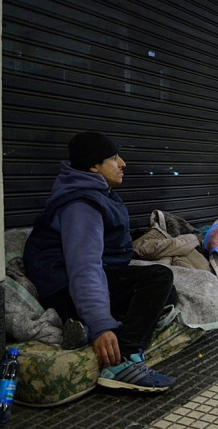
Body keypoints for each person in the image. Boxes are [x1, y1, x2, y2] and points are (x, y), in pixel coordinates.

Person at [23, 131, 178, 392]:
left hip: (87, 277)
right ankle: (122, 361)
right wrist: (101, 325)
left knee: (167, 294)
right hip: (63, 287)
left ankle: (84, 325)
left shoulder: (96, 193)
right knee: (158, 278)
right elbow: (84, 267)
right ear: (94, 166)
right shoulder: (81, 206)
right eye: (114, 158)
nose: (123, 163)